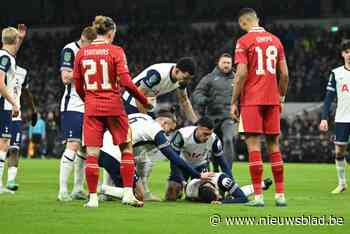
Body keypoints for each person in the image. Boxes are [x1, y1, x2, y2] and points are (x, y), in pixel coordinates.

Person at [73, 15, 152, 208]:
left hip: (92, 108)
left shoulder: (82, 53)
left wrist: (89, 100)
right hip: (114, 107)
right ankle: (127, 194)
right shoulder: (116, 51)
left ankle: (92, 199)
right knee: (126, 149)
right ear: (111, 32)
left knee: (92, 154)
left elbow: (77, 85)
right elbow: (126, 82)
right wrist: (144, 100)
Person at [230, 8, 289, 207]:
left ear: (242, 23)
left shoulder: (244, 41)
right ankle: (280, 196)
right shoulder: (276, 40)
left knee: (253, 146)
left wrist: (233, 102)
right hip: (272, 99)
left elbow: (241, 75)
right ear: (258, 19)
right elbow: (285, 74)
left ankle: (258, 197)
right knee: (274, 146)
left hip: (252, 100)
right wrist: (281, 97)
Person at [98, 112, 214, 201]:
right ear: (164, 123)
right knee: (138, 195)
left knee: (124, 164)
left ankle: (108, 191)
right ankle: (103, 189)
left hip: (102, 148)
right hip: (113, 155)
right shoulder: (155, 129)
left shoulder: (143, 117)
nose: (168, 133)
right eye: (170, 129)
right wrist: (197, 175)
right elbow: (173, 157)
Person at [58, 26, 97, 202]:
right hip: (73, 105)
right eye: (87, 45)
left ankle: (78, 188)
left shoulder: (94, 51)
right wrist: (87, 73)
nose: (88, 49)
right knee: (73, 145)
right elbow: (65, 77)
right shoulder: (70, 50)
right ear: (82, 38)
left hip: (89, 106)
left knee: (85, 149)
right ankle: (62, 191)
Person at [165, 117, 232, 201]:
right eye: (205, 134)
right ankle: (181, 190)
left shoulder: (214, 139)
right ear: (198, 128)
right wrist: (180, 179)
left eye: (209, 134)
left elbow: (223, 163)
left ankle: (192, 194)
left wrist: (231, 185)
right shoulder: (182, 135)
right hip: (183, 165)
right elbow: (174, 159)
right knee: (172, 195)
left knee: (206, 194)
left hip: (201, 166)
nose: (207, 137)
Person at [192, 53, 237, 170]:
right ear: (218, 63)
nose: (226, 65)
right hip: (211, 118)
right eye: (224, 62)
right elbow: (197, 94)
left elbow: (245, 96)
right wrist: (205, 100)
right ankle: (215, 169)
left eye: (228, 63)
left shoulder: (237, 78)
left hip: (228, 117)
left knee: (228, 139)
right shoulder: (209, 78)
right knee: (212, 144)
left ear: (231, 64)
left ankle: (227, 171)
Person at [122, 58, 198, 123]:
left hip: (148, 104)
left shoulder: (182, 79)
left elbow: (184, 100)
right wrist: (145, 120)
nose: (188, 82)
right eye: (186, 78)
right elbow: (138, 95)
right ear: (177, 71)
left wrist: (196, 123)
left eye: (190, 79)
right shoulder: (158, 74)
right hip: (131, 101)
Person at [320, 40, 350, 194]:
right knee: (339, 151)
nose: (349, 54)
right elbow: (328, 98)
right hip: (342, 118)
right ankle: (342, 183)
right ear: (343, 54)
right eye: (347, 51)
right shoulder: (336, 73)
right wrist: (324, 118)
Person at [6, 66, 37, 191]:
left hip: (14, 115)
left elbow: (26, 93)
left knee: (14, 149)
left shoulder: (22, 72)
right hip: (3, 112)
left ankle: (10, 181)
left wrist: (33, 111)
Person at [185, 172, 272, 204]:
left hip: (222, 183)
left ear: (215, 189)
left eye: (217, 195)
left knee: (236, 194)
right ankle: (262, 184)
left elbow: (243, 199)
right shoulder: (191, 190)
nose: (219, 197)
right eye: (218, 197)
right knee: (231, 197)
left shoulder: (223, 180)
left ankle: (261, 185)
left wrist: (222, 201)